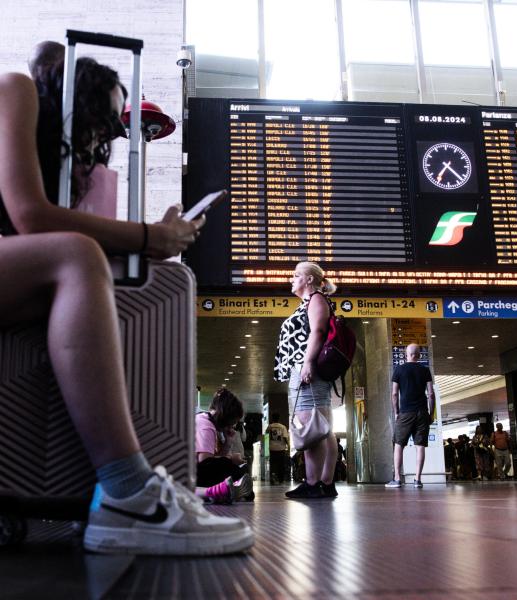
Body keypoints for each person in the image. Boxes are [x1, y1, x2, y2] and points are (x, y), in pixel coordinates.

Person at [0, 61, 253, 555]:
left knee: (86, 263)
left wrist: (150, 242)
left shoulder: (58, 152)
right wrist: (149, 237)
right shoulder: (16, 89)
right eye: (103, 115)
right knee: (78, 256)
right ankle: (128, 491)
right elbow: (31, 218)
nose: (105, 133)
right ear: (77, 94)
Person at [274, 261, 338, 499]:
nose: (291, 279)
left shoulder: (316, 300)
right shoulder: (311, 302)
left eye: (296, 275)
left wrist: (308, 363)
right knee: (322, 428)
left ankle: (313, 483)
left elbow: (318, 332)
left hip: (307, 367)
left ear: (309, 279)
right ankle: (326, 482)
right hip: (306, 367)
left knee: (310, 425)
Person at [385, 344, 435, 489]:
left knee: (399, 444)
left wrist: (396, 412)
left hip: (405, 412)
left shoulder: (399, 370)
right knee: (420, 446)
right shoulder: (425, 370)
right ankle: (417, 480)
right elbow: (431, 394)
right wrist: (430, 414)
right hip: (421, 412)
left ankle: (397, 479)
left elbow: (394, 394)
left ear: (406, 354)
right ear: (419, 355)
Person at [195, 388, 254, 502]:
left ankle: (234, 486)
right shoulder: (206, 425)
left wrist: (228, 442)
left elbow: (210, 459)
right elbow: (205, 462)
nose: (231, 426)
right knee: (227, 464)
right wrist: (231, 459)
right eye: (232, 422)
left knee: (227, 465)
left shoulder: (204, 419)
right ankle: (236, 486)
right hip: (192, 474)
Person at [266, 413, 289, 485]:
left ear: (272, 418)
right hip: (281, 448)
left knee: (273, 464)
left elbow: (266, 437)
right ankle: (281, 479)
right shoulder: (282, 427)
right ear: (279, 419)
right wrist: (288, 445)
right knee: (281, 465)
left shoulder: (269, 427)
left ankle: (272, 476)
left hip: (272, 448)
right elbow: (285, 437)